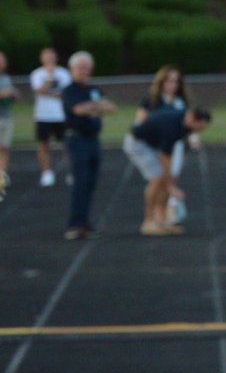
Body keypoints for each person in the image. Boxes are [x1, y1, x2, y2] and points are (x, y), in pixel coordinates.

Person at [123, 106, 211, 235]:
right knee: (157, 177)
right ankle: (148, 222)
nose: (201, 130)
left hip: (151, 144)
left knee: (163, 179)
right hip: (137, 143)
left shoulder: (184, 119)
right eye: (200, 127)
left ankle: (160, 221)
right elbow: (165, 158)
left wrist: (169, 183)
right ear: (193, 119)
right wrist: (170, 185)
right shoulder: (172, 128)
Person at [61, 51, 116, 240]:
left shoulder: (93, 89)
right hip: (77, 139)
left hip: (93, 139)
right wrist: (96, 106)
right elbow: (77, 110)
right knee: (81, 182)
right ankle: (74, 224)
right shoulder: (70, 90)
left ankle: (84, 222)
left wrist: (92, 107)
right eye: (80, 67)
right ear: (72, 69)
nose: (84, 71)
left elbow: (111, 107)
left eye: (86, 67)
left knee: (91, 183)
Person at [134, 64, 195, 223]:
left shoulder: (181, 101)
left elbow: (190, 123)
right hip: (157, 145)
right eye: (169, 81)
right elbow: (140, 120)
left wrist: (193, 138)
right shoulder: (152, 99)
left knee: (171, 178)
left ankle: (165, 213)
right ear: (162, 82)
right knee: (158, 178)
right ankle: (152, 216)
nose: (172, 85)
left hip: (176, 145)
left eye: (176, 81)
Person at [30, 47, 71, 187]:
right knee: (43, 144)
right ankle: (47, 173)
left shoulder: (64, 73)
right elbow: (40, 90)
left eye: (51, 57)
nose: (49, 60)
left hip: (61, 116)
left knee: (67, 145)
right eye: (46, 57)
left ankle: (71, 172)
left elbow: (66, 94)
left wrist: (48, 92)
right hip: (43, 115)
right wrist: (49, 77)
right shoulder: (36, 74)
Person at [0, 51, 17, 201]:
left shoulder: (6, 78)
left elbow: (12, 95)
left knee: (5, 147)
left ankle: (2, 176)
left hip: (6, 116)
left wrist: (13, 94)